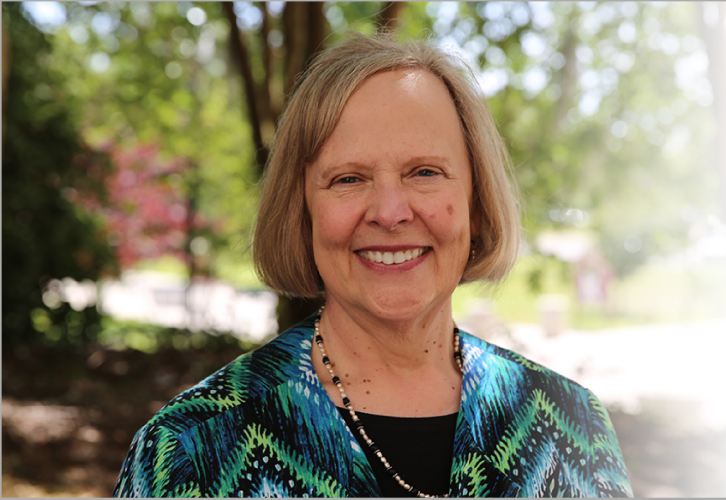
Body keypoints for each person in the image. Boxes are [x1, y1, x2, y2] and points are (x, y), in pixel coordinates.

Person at [114, 33, 632, 498]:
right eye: (348, 179)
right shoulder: (190, 451)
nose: (389, 213)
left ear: (475, 200)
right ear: (303, 209)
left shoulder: (570, 428)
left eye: (425, 172)